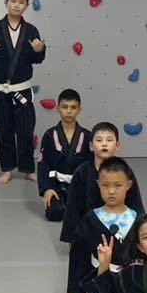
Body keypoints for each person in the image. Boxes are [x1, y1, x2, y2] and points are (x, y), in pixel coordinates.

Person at [0, 0, 46, 184]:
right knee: (4, 130)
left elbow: (37, 59)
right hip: (1, 91)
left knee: (25, 131)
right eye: (13, 1)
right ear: (6, 2)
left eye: (21, 2)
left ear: (27, 6)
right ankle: (7, 169)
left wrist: (39, 50)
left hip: (22, 89)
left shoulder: (31, 30)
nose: (16, 5)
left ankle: (27, 169)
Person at [66, 158, 140, 293]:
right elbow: (78, 257)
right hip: (100, 278)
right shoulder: (90, 219)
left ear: (128, 185)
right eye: (106, 185)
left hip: (129, 282)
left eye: (118, 185)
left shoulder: (138, 219)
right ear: (98, 184)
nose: (111, 191)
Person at [59, 122, 144, 248]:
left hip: (120, 225)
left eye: (109, 140)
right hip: (91, 226)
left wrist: (141, 232)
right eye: (99, 140)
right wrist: (73, 237)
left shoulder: (125, 171)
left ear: (117, 145)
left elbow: (135, 202)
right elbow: (73, 207)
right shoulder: (82, 172)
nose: (104, 144)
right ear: (91, 146)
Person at [37, 89, 91, 223]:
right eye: (65, 107)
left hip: (79, 186)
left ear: (79, 110)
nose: (69, 111)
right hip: (56, 186)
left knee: (87, 215)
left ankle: (73, 206)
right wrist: (47, 189)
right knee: (54, 213)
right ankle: (62, 204)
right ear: (58, 108)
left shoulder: (88, 136)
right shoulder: (49, 135)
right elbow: (43, 164)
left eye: (73, 107)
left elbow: (92, 164)